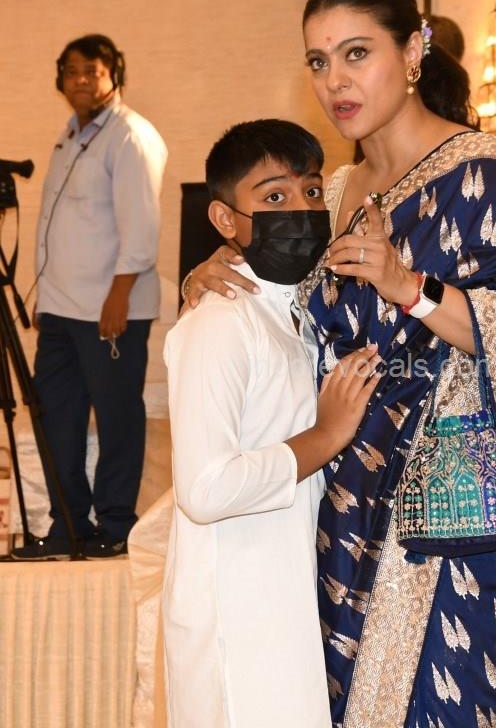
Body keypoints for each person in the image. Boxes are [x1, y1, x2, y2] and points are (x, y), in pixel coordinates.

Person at [186, 0, 496, 727]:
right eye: (318, 62)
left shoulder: (490, 179)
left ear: (412, 51)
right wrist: (214, 269)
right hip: (341, 515)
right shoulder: (331, 190)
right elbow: (292, 322)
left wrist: (409, 287)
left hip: (454, 518)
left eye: (356, 53)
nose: (335, 81)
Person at [163, 119, 380, 727]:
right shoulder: (219, 321)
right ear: (225, 219)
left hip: (286, 596)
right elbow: (205, 489)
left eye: (311, 191)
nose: (302, 210)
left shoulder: (297, 314)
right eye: (274, 197)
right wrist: (325, 436)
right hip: (237, 613)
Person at [13, 34, 167, 560]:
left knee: (117, 416)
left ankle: (117, 525)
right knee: (55, 418)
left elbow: (141, 226)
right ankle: (69, 527)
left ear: (113, 75)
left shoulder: (130, 136)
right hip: (60, 309)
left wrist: (119, 295)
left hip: (109, 307)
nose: (80, 80)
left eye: (92, 71)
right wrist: (45, 296)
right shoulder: (70, 135)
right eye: (71, 71)